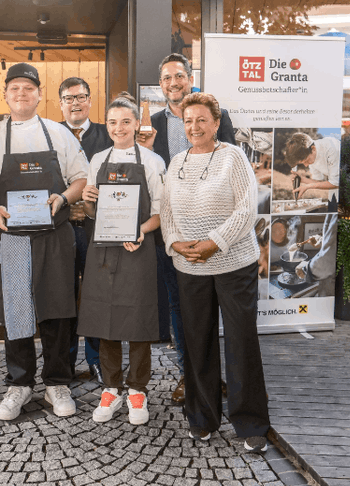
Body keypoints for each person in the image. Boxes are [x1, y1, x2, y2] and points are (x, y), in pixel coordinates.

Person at [0, 63, 88, 421]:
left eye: (28, 88)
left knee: (57, 309)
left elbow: (80, 178)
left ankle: (57, 383)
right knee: (17, 311)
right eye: (15, 88)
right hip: (12, 237)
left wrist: (63, 199)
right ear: (5, 95)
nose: (22, 94)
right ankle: (19, 383)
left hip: (54, 236)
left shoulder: (58, 134)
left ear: (39, 94)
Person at [160, 92, 270, 452]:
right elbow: (167, 212)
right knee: (197, 344)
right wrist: (176, 243)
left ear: (216, 123)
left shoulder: (233, 157)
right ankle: (202, 418)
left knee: (240, 343)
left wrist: (214, 242)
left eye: (201, 120)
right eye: (188, 121)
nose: (194, 126)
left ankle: (250, 423)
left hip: (233, 264)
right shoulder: (176, 162)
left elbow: (246, 210)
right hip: (189, 266)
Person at [137, 53, 235, 404]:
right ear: (160, 84)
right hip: (173, 232)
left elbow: (232, 172)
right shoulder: (151, 126)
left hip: (213, 233)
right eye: (166, 78)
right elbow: (148, 179)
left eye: (179, 76)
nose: (173, 83)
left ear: (190, 78)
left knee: (216, 308)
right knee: (180, 306)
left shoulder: (216, 118)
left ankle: (216, 374)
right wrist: (144, 151)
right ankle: (189, 375)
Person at [77, 94, 165, 425]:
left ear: (135, 124)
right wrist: (86, 199)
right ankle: (112, 388)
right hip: (103, 250)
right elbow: (91, 210)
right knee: (106, 319)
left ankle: (138, 389)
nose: (118, 128)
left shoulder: (153, 161)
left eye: (125, 121)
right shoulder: (98, 159)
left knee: (139, 319)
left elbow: (160, 211)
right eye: (112, 122)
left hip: (138, 247)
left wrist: (141, 230)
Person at [58, 76, 113, 384]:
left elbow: (118, 179)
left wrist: (92, 204)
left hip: (97, 230)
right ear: (61, 103)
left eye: (80, 97)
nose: (75, 103)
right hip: (61, 230)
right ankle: (63, 362)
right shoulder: (49, 134)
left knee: (95, 297)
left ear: (90, 101)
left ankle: (97, 360)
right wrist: (69, 204)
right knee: (64, 298)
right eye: (69, 98)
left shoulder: (108, 135)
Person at [283, 132, 340, 203]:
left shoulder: (331, 147)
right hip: (335, 193)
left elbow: (336, 183)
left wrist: (307, 186)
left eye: (306, 161)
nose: (306, 165)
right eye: (302, 163)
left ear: (313, 149)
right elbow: (319, 182)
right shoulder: (310, 155)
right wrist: (303, 179)